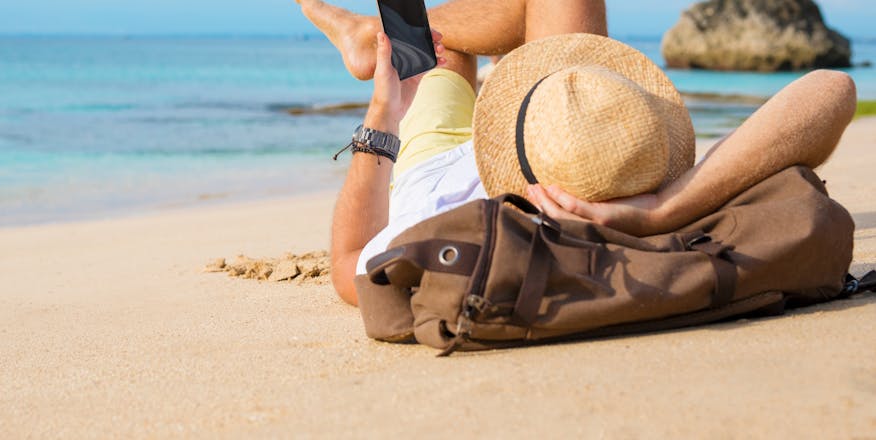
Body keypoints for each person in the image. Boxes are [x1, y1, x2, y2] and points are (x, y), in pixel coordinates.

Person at [297, 0, 857, 306]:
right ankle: (376, 34)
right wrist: (662, 207)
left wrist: (381, 115)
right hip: (548, 129)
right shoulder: (636, 190)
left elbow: (346, 262)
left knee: (445, 58)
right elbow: (834, 89)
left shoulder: (441, 236)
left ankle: (371, 37)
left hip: (438, 162)